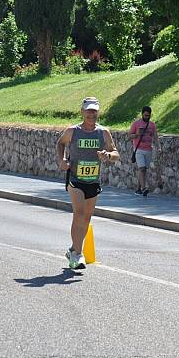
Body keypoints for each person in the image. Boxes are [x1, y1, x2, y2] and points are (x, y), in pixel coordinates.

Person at [56, 97, 120, 270]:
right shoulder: (72, 131)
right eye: (88, 110)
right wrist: (62, 160)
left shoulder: (103, 132)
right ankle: (78, 254)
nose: (91, 114)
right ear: (82, 112)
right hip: (75, 179)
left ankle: (73, 249)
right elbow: (60, 143)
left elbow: (116, 154)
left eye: (94, 111)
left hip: (93, 180)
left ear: (98, 112)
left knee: (86, 217)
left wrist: (108, 156)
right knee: (79, 213)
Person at [128, 106, 161, 196]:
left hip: (148, 149)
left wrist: (158, 146)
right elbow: (129, 135)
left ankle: (138, 188)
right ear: (142, 114)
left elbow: (155, 136)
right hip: (139, 149)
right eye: (145, 115)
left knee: (144, 170)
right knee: (141, 168)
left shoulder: (152, 125)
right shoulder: (136, 124)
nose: (147, 117)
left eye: (148, 116)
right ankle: (143, 188)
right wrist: (137, 134)